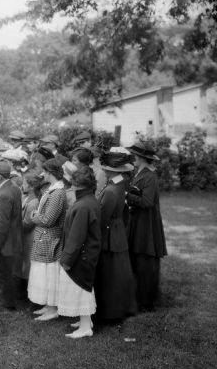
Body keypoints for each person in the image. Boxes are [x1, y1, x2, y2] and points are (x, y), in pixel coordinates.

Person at [58, 166, 101, 338]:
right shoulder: (90, 200)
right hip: (87, 253)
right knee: (84, 287)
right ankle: (86, 321)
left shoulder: (83, 205)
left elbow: (76, 238)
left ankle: (85, 328)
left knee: (81, 289)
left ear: (76, 185)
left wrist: (66, 260)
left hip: (81, 255)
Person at [95, 152, 137, 322]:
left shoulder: (111, 190)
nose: (103, 170)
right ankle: (121, 307)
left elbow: (102, 216)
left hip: (110, 234)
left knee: (111, 274)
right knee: (118, 272)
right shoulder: (119, 184)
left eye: (105, 168)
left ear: (110, 171)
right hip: (117, 230)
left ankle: (111, 311)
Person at [125, 141, 167, 312]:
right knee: (138, 258)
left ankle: (147, 300)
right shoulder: (140, 172)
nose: (132, 157)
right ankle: (140, 296)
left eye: (134, 155)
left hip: (147, 223)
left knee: (146, 259)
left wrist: (127, 195)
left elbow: (148, 202)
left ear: (141, 158)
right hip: (138, 220)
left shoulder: (150, 176)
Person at [27, 158, 67, 321]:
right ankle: (48, 306)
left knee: (50, 274)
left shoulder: (57, 193)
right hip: (44, 238)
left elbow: (47, 220)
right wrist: (37, 215)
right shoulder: (52, 190)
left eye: (45, 171)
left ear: (50, 173)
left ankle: (53, 308)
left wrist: (34, 216)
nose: (43, 174)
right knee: (44, 274)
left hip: (50, 239)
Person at [0, 161, 23, 310]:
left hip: (5, 242)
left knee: (3, 274)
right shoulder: (14, 188)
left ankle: (8, 304)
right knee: (6, 273)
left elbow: (1, 225)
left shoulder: (3, 194)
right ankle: (5, 301)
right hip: (13, 239)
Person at [21, 172, 42, 300]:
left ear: (31, 186)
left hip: (29, 238)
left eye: (24, 183)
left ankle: (27, 294)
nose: (22, 185)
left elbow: (27, 224)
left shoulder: (33, 203)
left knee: (28, 266)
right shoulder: (28, 198)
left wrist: (14, 219)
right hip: (25, 238)